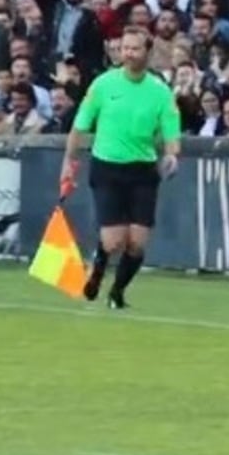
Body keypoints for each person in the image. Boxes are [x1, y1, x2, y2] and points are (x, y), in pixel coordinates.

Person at [60, 27, 182, 310]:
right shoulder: (103, 84)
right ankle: (99, 267)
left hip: (142, 170)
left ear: (147, 52)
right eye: (124, 48)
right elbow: (81, 124)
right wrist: (69, 159)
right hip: (107, 168)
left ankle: (117, 292)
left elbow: (171, 132)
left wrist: (173, 155)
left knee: (137, 243)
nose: (128, 53)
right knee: (113, 241)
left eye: (134, 48)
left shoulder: (160, 92)